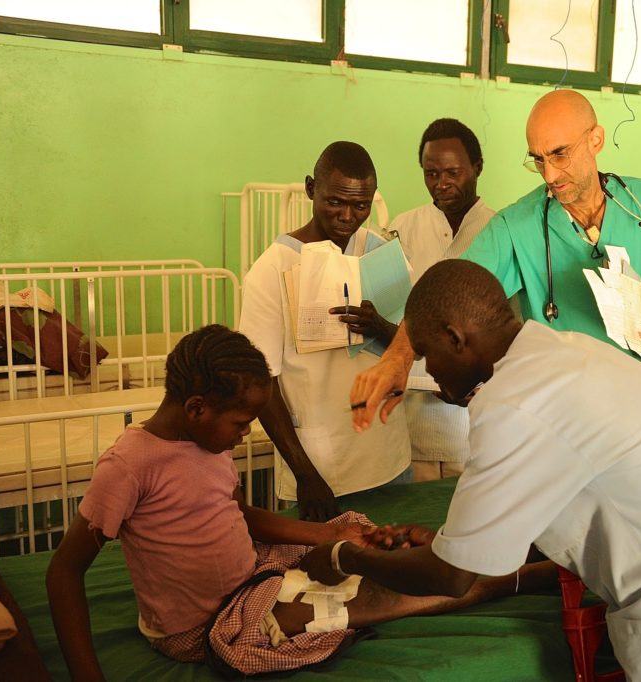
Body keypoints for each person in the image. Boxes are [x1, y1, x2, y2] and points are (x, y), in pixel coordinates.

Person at [302, 259, 641, 681]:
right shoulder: (564, 352)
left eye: (429, 355)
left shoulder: (514, 404)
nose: (429, 371)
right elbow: (557, 494)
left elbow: (454, 576)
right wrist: (450, 537)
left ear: (457, 337)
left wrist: (345, 558)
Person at [45, 326, 555, 678]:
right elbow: (63, 573)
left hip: (253, 575)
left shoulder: (207, 442)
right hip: (207, 625)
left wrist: (324, 533)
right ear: (197, 408)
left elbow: (236, 517)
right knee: (358, 597)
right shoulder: (130, 465)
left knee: (354, 532)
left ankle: (474, 553)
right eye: (240, 423)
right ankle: (504, 580)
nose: (245, 434)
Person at [348, 90, 641, 433]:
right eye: (538, 159)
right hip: (574, 422)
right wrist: (397, 359)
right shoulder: (516, 226)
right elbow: (445, 295)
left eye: (560, 154)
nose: (549, 175)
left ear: (596, 139)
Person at [239, 142, 410, 520]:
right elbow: (262, 380)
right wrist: (304, 472)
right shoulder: (272, 271)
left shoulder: (381, 255)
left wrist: (381, 328)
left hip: (388, 454)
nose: (348, 216)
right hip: (321, 463)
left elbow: (409, 344)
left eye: (361, 205)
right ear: (310, 188)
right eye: (336, 202)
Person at [390, 118, 495, 481]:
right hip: (414, 413)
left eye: (453, 172)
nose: (442, 183)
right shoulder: (402, 228)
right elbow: (391, 311)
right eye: (431, 173)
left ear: (477, 167)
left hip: (475, 418)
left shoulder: (498, 231)